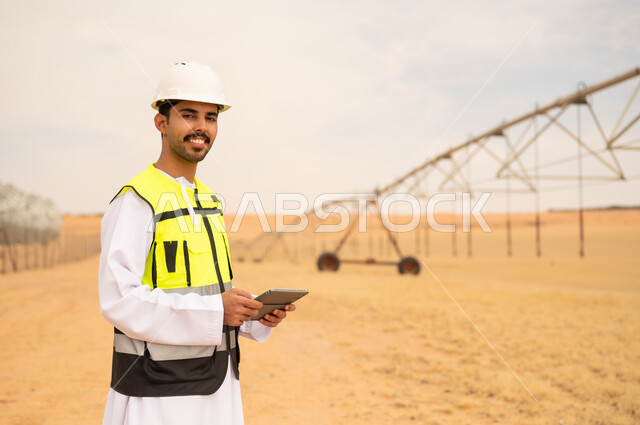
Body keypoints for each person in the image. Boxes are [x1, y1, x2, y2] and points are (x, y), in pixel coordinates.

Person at [98, 61, 295, 425]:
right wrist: (215, 311)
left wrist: (252, 315)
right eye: (188, 115)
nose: (201, 127)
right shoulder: (136, 200)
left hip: (217, 384)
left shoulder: (209, 201)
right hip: (157, 391)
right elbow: (119, 299)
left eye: (211, 117)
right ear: (161, 122)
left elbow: (209, 291)